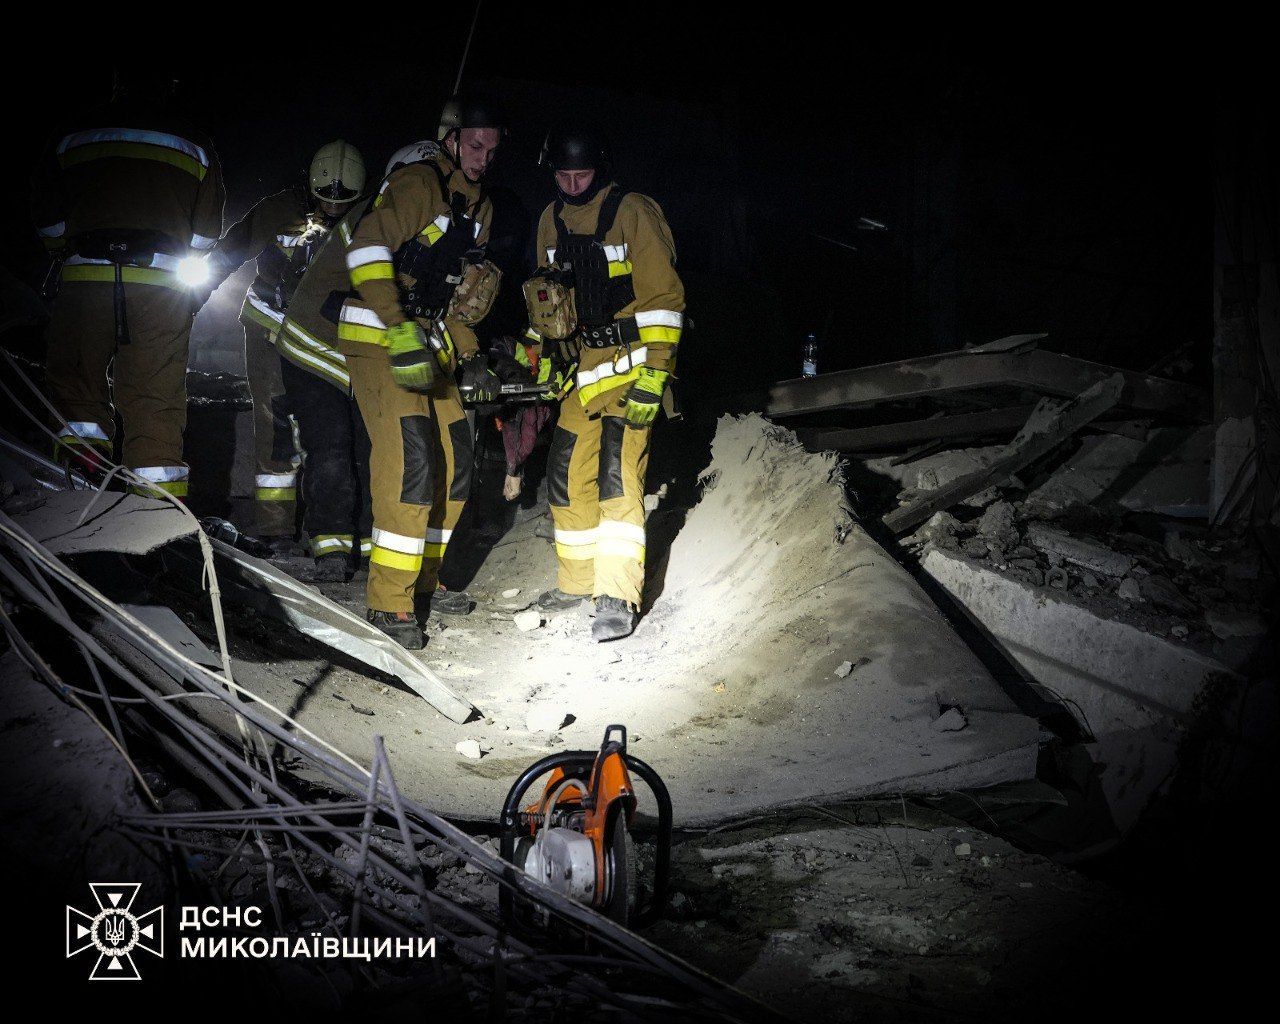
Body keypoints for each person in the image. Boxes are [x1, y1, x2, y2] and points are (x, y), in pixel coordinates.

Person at [336, 97, 506, 648]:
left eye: (492, 150)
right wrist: (397, 325)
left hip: (430, 341)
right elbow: (366, 248)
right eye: (474, 145)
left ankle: (424, 583)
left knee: (457, 460)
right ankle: (389, 601)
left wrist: (473, 355)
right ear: (451, 140)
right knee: (411, 459)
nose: (483, 158)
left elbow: (459, 297)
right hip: (379, 335)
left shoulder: (479, 207)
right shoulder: (418, 183)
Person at [522, 129, 684, 641]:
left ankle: (617, 595)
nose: (573, 185)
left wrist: (656, 374)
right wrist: (542, 358)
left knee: (618, 474)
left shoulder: (632, 211)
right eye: (563, 176)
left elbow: (665, 300)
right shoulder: (550, 219)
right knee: (565, 471)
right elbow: (546, 300)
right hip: (584, 371)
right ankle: (577, 582)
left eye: (583, 174)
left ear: (601, 169)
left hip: (633, 364)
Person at [32, 71, 225, 496]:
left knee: (77, 387)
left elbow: (47, 217)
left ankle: (78, 491)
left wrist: (67, 250)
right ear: (169, 85)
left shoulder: (73, 133)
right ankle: (157, 515)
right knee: (156, 397)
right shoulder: (194, 143)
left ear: (118, 81)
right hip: (161, 291)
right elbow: (206, 235)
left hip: (85, 283)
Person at [207, 141, 366, 547]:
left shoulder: (365, 220)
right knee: (275, 426)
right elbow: (233, 249)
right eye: (325, 199)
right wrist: (191, 296)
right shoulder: (280, 210)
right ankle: (275, 530)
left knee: (326, 430)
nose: (332, 208)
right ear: (310, 187)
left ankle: (325, 527)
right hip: (270, 329)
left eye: (343, 203)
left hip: (321, 339)